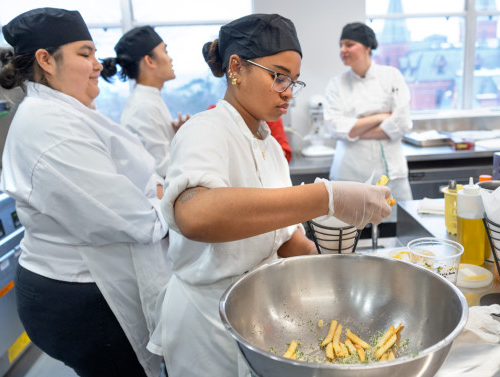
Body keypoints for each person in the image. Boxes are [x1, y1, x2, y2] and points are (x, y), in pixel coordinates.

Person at [145, 13, 392, 377]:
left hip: (259, 312)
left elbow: (283, 235)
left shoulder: (270, 146)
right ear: (236, 68)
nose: (289, 91)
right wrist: (328, 196)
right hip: (208, 322)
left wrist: (334, 283)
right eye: (278, 76)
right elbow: (196, 217)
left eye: (293, 81)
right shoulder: (206, 131)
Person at [0, 8, 169, 377]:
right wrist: (161, 197)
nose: (98, 64)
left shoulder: (70, 112)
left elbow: (143, 181)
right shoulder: (49, 128)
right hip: (75, 297)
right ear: (46, 59)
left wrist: (153, 190)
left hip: (90, 284)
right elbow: (136, 221)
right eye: (85, 53)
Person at [323, 22, 413, 225]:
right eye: (341, 45)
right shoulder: (336, 84)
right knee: (350, 234)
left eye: (349, 44)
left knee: (396, 231)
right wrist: (381, 117)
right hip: (350, 174)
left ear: (367, 47)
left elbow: (402, 122)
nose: (343, 50)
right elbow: (335, 128)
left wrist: (354, 130)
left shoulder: (391, 77)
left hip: (391, 174)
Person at [101, 26, 190, 177]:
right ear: (149, 61)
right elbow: (164, 168)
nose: (170, 59)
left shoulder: (149, 99)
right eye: (165, 52)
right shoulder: (143, 107)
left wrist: (177, 136)